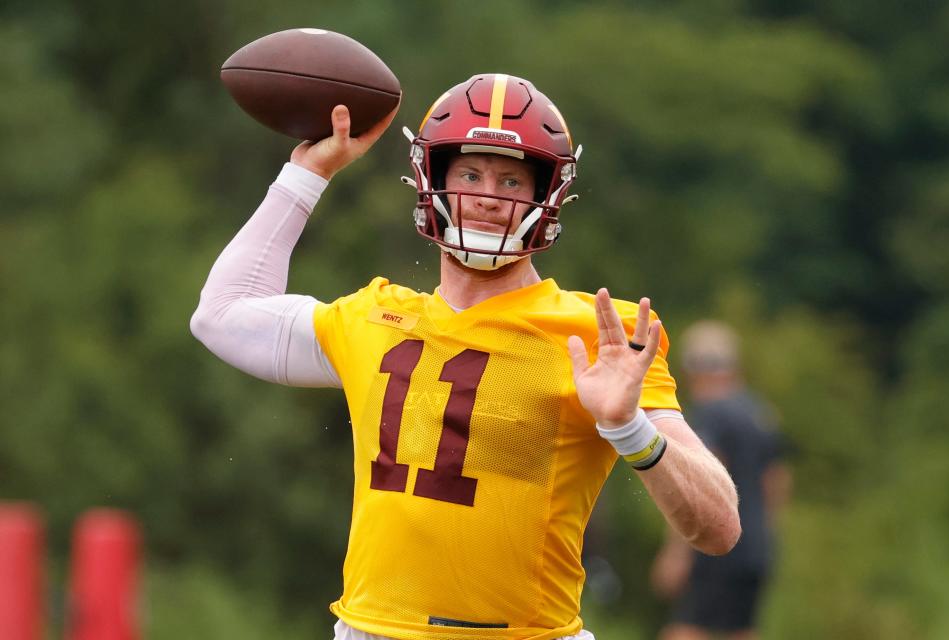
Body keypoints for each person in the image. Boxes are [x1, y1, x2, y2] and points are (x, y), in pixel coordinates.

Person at [191, 73, 740, 640]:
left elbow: (718, 527)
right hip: (369, 630)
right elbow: (223, 314)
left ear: (547, 196)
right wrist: (308, 172)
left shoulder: (597, 333)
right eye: (471, 174)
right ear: (431, 179)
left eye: (510, 180)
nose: (486, 194)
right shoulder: (374, 318)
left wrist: (629, 428)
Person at [650, 321, 791, 640]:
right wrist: (764, 535)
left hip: (715, 544)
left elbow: (699, 482)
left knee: (686, 630)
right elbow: (777, 482)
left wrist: (677, 552)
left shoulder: (712, 413)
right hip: (756, 545)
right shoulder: (760, 413)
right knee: (741, 630)